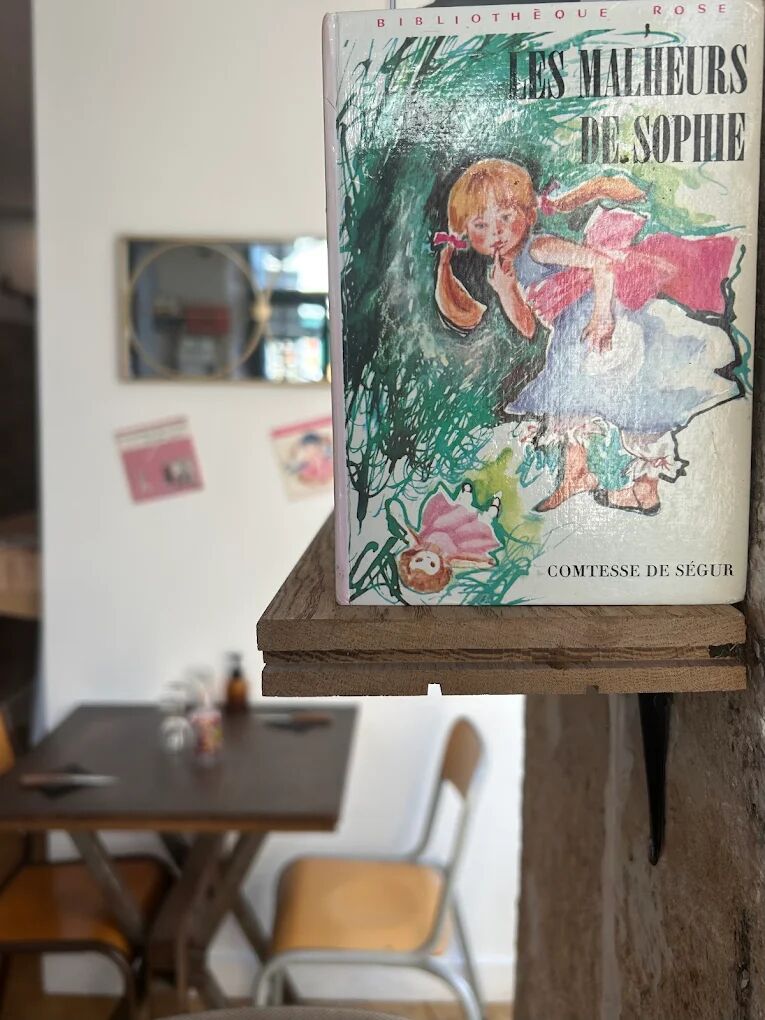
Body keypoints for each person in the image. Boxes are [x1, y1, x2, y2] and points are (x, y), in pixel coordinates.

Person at [434, 159, 740, 515]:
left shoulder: (539, 247)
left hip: (600, 327)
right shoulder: (507, 268)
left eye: (505, 216)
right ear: (467, 233)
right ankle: (580, 476)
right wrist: (505, 291)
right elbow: (529, 328)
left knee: (634, 398)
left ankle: (642, 487)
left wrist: (603, 316)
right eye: (481, 225)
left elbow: (602, 264)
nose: (496, 232)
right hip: (570, 339)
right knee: (569, 401)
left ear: (527, 213)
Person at [398, 482, 502, 594]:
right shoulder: (448, 559)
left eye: (419, 560)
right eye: (432, 564)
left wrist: (399, 519)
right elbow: (467, 560)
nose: (427, 558)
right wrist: (482, 562)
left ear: (411, 557)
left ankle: (465, 497)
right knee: (480, 525)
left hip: (442, 523)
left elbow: (410, 532)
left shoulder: (419, 544)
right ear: (440, 571)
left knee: (456, 511)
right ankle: (491, 512)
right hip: (462, 538)